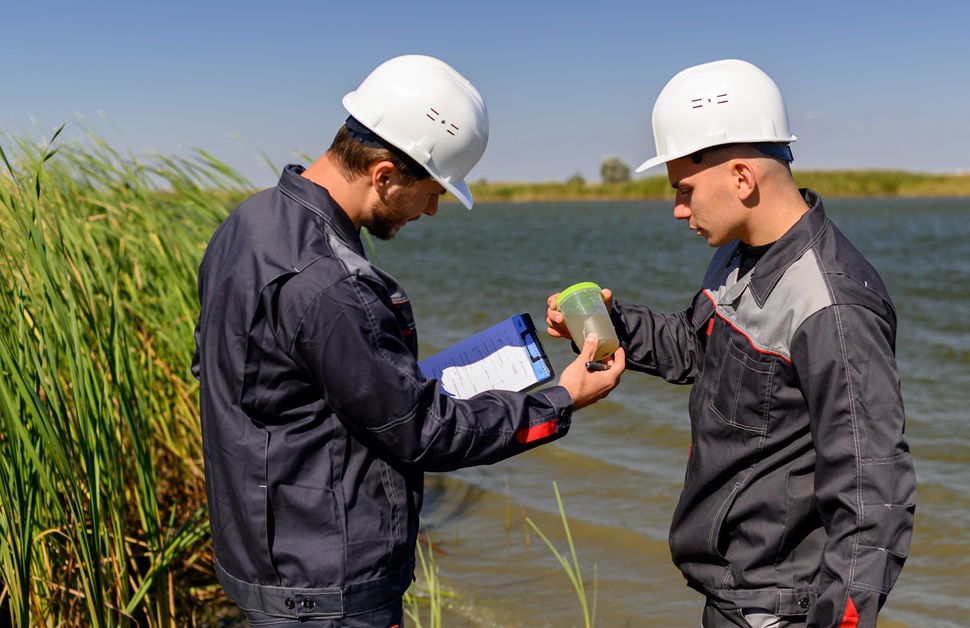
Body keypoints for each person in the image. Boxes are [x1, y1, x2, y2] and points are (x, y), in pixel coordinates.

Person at [191, 54, 624, 626]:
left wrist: (386, 384)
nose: (435, 208)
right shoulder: (331, 284)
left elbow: (231, 373)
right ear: (385, 174)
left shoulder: (246, 224)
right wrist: (562, 398)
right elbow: (424, 435)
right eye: (433, 189)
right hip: (328, 589)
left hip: (266, 562)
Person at [545, 59, 916, 628]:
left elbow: (873, 497)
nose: (678, 208)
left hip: (779, 609)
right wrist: (610, 324)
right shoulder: (738, 254)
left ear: (742, 178)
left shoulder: (833, 306)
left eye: (685, 190)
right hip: (730, 594)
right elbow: (700, 350)